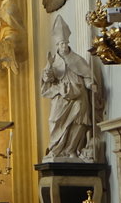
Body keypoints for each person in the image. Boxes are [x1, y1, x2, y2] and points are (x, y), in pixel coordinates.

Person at [38, 16, 96, 161]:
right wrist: (48, 72)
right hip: (61, 97)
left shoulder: (77, 59)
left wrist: (90, 84)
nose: (63, 46)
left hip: (78, 95)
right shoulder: (53, 62)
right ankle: (56, 149)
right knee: (55, 120)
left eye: (65, 43)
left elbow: (87, 74)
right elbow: (47, 81)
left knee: (78, 122)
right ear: (57, 45)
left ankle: (71, 150)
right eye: (61, 43)